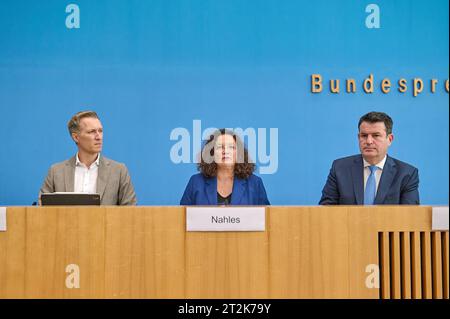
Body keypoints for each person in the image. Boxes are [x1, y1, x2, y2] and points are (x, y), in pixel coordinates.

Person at [319, 111, 419, 205]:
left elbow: (410, 217)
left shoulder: (406, 174)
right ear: (358, 137)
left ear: (389, 139)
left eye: (376, 135)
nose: (369, 141)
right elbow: (326, 211)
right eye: (364, 135)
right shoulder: (340, 168)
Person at [39, 111, 137, 205]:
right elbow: (41, 212)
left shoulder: (119, 171)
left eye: (100, 131)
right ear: (76, 137)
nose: (99, 137)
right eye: (92, 132)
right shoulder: (56, 172)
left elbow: (131, 214)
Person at [180, 129, 270, 205]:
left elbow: (267, 220)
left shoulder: (255, 183)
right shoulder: (196, 182)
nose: (225, 151)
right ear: (211, 153)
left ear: (239, 153)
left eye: (231, 147)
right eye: (220, 147)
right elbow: (181, 219)